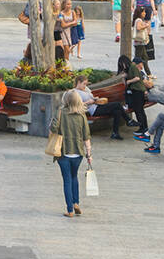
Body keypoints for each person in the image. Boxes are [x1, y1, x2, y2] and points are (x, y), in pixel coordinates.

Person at [49, 89, 92, 217]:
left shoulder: (61, 112)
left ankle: (69, 210)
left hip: (63, 151)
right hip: (78, 152)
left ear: (65, 100)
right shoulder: (82, 115)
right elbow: (86, 136)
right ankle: (76, 203)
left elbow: (53, 128)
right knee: (74, 177)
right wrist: (89, 154)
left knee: (67, 180)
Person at [70, 73, 128, 140]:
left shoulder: (86, 89)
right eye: (84, 84)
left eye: (86, 84)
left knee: (117, 111)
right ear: (79, 83)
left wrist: (95, 98)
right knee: (117, 104)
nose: (85, 86)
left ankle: (115, 133)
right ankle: (128, 120)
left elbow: (91, 96)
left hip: (96, 106)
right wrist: (87, 102)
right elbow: (75, 105)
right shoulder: (74, 92)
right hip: (92, 111)